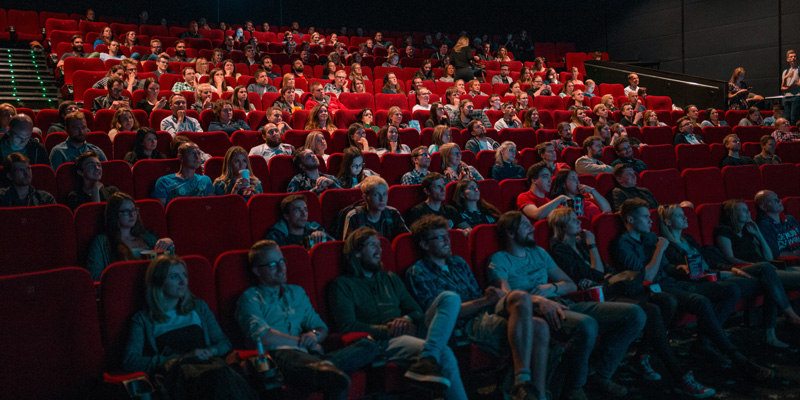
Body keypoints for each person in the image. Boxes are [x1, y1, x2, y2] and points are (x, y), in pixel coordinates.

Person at [549, 208, 717, 398]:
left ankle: (641, 357)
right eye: (572, 220)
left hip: (614, 288)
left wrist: (602, 270)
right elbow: (593, 273)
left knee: (666, 301)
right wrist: (593, 247)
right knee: (651, 310)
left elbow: (605, 270)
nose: (579, 221)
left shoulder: (580, 244)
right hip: (598, 296)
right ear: (561, 226)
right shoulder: (561, 249)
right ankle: (678, 374)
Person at [489, 211, 646, 399]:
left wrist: (551, 287)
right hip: (533, 310)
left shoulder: (539, 252)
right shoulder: (499, 259)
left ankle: (600, 374)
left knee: (636, 314)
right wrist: (538, 299)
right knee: (587, 325)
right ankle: (575, 387)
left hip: (563, 302)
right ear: (510, 232)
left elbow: (569, 284)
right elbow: (505, 296)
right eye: (525, 225)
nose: (532, 228)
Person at [614, 199, 774, 383]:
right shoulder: (623, 245)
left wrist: (680, 268)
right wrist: (659, 250)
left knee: (730, 289)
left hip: (672, 282)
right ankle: (738, 359)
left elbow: (666, 268)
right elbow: (646, 276)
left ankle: (703, 344)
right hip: (654, 290)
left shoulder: (650, 238)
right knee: (701, 301)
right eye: (644, 217)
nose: (650, 221)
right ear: (630, 220)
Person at [406, 215, 549, 400]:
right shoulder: (418, 272)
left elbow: (476, 294)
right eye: (440, 238)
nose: (447, 241)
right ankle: (527, 390)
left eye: (447, 236)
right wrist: (485, 301)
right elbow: (442, 316)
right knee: (539, 327)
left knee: (520, 297)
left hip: (485, 310)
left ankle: (529, 387)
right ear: (425, 245)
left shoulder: (458, 262)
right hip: (466, 324)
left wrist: (488, 296)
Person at [328, 227, 467, 398]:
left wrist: (405, 319)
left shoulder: (390, 278)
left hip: (412, 329)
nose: (379, 250)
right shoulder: (342, 285)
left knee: (450, 298)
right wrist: (388, 329)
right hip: (384, 341)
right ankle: (429, 356)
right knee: (444, 353)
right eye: (373, 245)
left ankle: (427, 357)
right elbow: (348, 326)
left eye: (379, 245)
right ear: (357, 252)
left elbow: (416, 311)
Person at [236, 241, 377, 400]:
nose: (282, 268)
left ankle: (325, 368)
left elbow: (320, 327)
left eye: (282, 261)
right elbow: (261, 337)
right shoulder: (251, 298)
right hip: (279, 357)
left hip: (308, 356)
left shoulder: (297, 292)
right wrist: (301, 342)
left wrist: (314, 336)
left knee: (369, 345)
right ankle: (327, 371)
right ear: (257, 271)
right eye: (273, 264)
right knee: (334, 378)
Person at [661, 203, 800, 350]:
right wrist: (725, 272)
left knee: (769, 276)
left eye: (683, 213)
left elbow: (710, 261)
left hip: (721, 274)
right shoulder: (667, 245)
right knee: (769, 277)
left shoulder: (688, 239)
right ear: (668, 222)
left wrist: (732, 270)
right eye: (678, 215)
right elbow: (687, 272)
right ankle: (782, 322)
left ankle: (777, 328)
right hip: (709, 281)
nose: (684, 217)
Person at [122, 255, 257, 400]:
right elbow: (130, 361)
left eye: (184, 275)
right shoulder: (143, 319)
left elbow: (224, 343)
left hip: (210, 365)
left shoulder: (198, 307)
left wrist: (211, 350)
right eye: (175, 277)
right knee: (220, 378)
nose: (183, 282)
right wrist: (177, 358)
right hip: (179, 374)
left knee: (224, 375)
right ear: (159, 282)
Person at [85, 192, 173, 280]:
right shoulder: (101, 242)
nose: (132, 215)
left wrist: (169, 244)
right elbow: (94, 275)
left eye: (134, 210)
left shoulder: (148, 238)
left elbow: (168, 266)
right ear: (114, 214)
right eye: (126, 211)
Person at [341, 176, 408, 240]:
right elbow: (349, 248)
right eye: (376, 194)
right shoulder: (354, 217)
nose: (382, 199)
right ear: (365, 197)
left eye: (384, 194)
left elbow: (405, 239)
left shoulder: (393, 213)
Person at [405, 173, 469, 231]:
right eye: (438, 186)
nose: (443, 189)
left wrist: (465, 231)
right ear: (427, 191)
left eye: (443, 185)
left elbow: (467, 228)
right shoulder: (418, 211)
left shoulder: (450, 210)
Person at [264, 195, 331, 248]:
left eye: (305, 209)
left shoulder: (315, 229)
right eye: (297, 210)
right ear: (286, 216)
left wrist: (323, 236)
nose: (303, 214)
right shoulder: (277, 238)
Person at [782, 50, 800, 126]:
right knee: (786, 118)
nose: (793, 58)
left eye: (794, 56)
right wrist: (785, 78)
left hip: (796, 96)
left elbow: (799, 84)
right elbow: (782, 87)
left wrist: (788, 88)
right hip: (786, 97)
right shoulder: (786, 71)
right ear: (787, 59)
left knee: (794, 117)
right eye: (791, 57)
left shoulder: (799, 69)